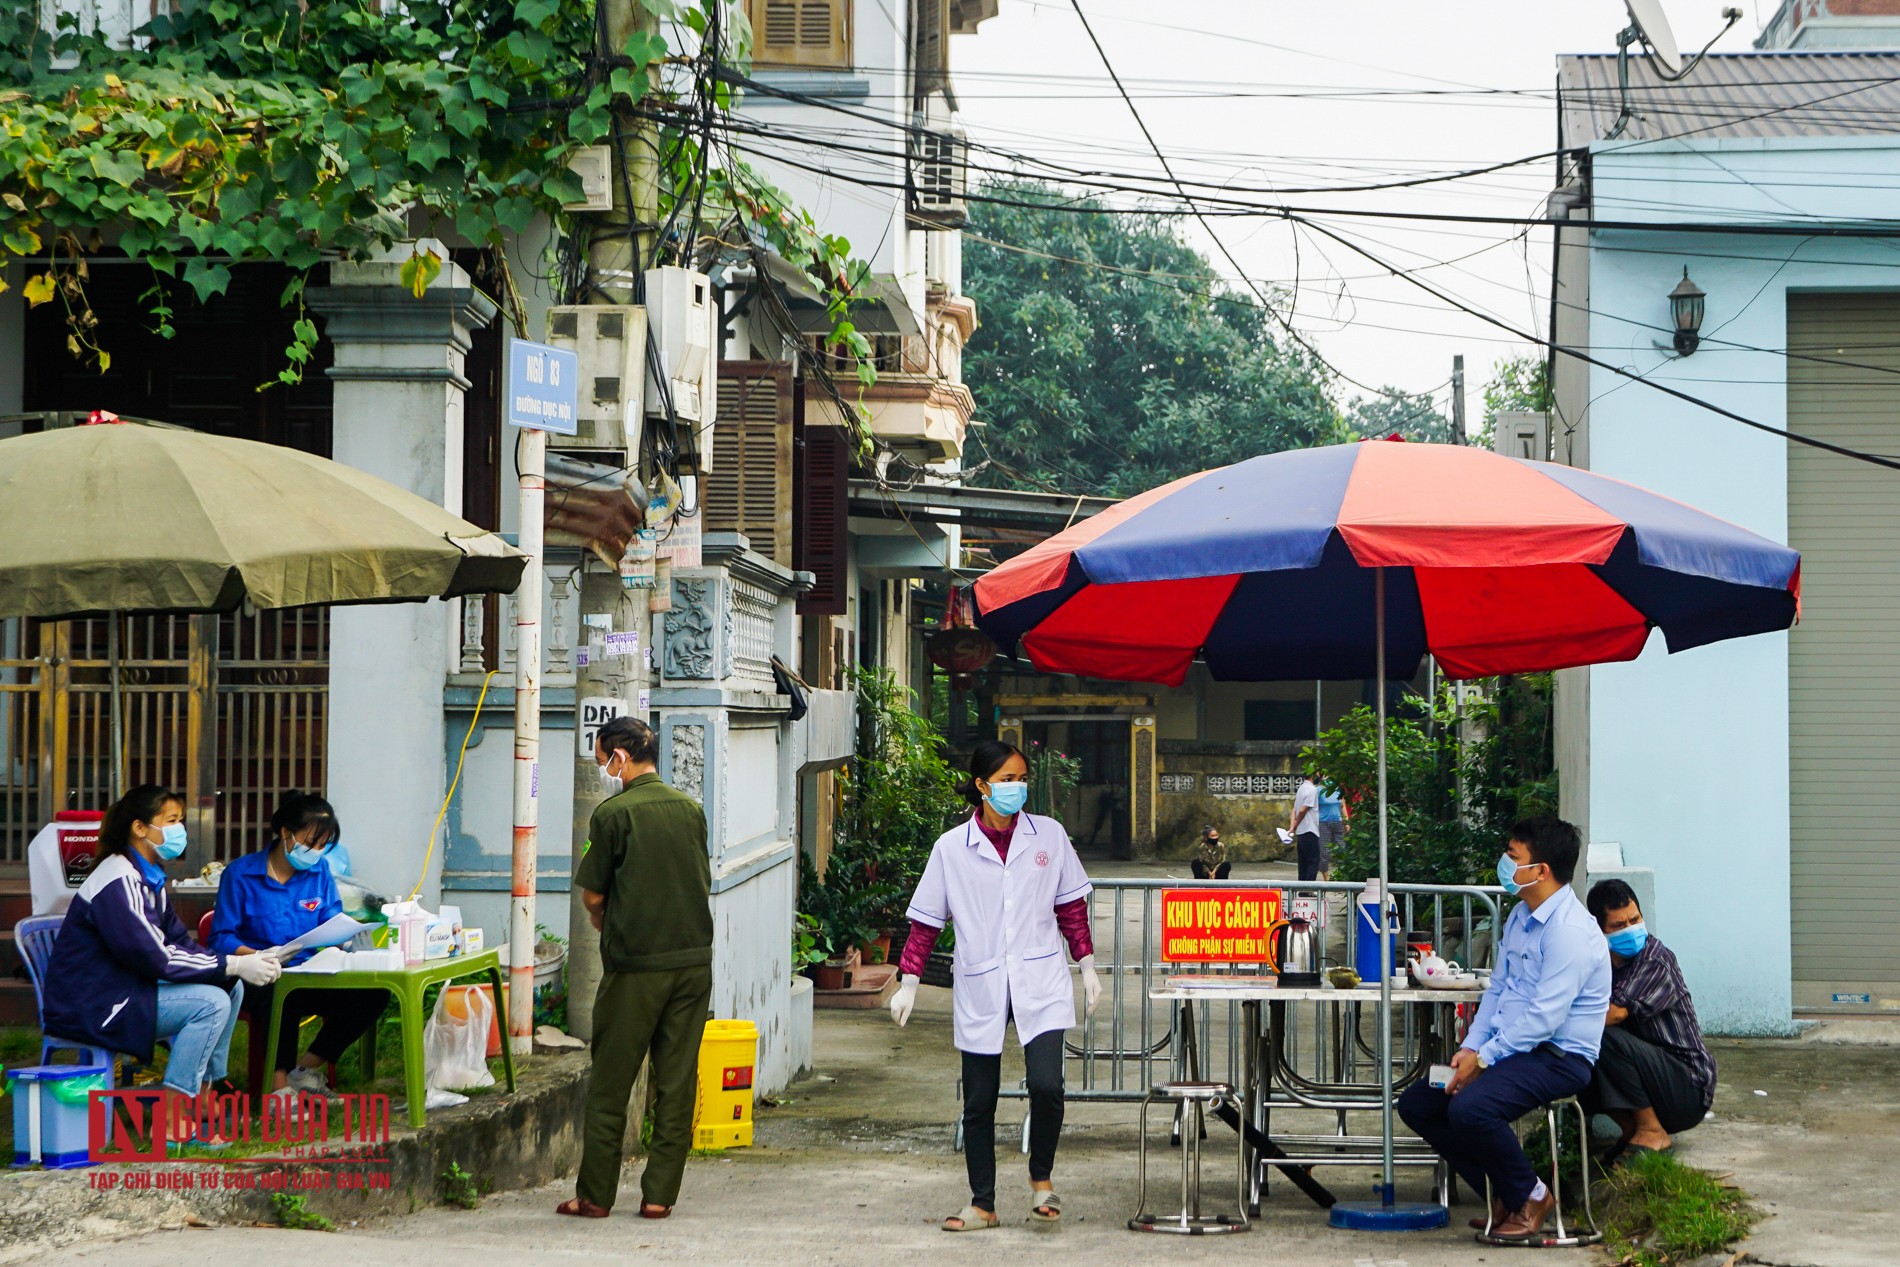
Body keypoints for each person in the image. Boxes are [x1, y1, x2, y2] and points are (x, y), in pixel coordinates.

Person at [889, 740, 1103, 1231]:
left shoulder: (1048, 835)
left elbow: (1070, 907)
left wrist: (1087, 964)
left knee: (1048, 1087)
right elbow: (926, 922)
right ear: (983, 786)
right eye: (1007, 780)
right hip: (983, 980)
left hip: (1041, 976)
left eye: (1022, 778)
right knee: (979, 1101)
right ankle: (982, 1203)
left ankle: (1041, 1180)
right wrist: (910, 980)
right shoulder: (950, 848)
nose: (1018, 788)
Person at [1397, 816, 1610, 1241]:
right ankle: (1502, 1193)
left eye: (1513, 858)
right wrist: (1471, 1046)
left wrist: (1486, 1058)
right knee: (1420, 1102)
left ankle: (1532, 1196)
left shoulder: (1569, 932)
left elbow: (1545, 1018)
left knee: (1471, 1107)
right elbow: (1498, 991)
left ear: (1541, 871)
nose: (1504, 864)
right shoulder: (1520, 915)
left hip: (1559, 1057)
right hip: (1512, 1049)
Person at [42, 784, 282, 1120]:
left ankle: (205, 1090)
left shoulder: (148, 876)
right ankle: (174, 1119)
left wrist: (232, 968)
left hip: (126, 988)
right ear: (140, 828)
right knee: (211, 1003)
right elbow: (158, 957)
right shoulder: (119, 881)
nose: (179, 830)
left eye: (180, 820)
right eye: (171, 821)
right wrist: (232, 962)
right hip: (95, 1003)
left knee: (232, 986)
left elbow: (179, 943)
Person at [559, 716, 712, 1221]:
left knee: (611, 1081)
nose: (603, 767)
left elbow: (594, 893)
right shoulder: (690, 809)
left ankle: (596, 1196)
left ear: (620, 757)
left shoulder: (612, 815)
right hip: (692, 962)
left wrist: (604, 920)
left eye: (604, 758)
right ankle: (659, 1196)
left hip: (635, 965)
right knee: (676, 1080)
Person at [209, 792, 384, 1099]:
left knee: (374, 992)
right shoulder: (240, 875)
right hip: (254, 974)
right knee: (279, 990)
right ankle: (278, 1088)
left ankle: (303, 1070)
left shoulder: (319, 873)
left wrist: (343, 938)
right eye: (311, 842)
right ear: (285, 833)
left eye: (323, 845)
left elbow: (331, 921)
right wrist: (257, 956)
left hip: (308, 969)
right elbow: (221, 937)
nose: (316, 852)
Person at [1583, 880, 1716, 1161]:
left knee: (1600, 1032)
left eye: (1635, 919)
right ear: (1599, 930)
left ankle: (1651, 1130)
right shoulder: (1598, 961)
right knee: (1578, 1054)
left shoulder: (1655, 960)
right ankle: (1631, 1130)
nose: (1631, 929)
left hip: (1687, 1087)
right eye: (1619, 926)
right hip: (1651, 1078)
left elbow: (1612, 1014)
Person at [1292, 767, 1329, 881]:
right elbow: (1303, 810)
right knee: (1313, 861)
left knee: (1303, 862)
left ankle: (1302, 888)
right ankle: (1308, 889)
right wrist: (1295, 824)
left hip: (1301, 831)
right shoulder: (1312, 790)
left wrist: (1293, 827)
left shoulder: (1301, 788)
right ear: (1314, 775)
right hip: (1310, 829)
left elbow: (1294, 810)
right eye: (1318, 774)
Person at [1317, 776, 1347, 866]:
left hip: (1338, 821)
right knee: (1324, 851)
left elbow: (1343, 806)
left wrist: (1346, 821)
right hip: (1323, 822)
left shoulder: (1338, 790)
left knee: (1342, 848)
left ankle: (1342, 873)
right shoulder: (1318, 790)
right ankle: (1326, 877)